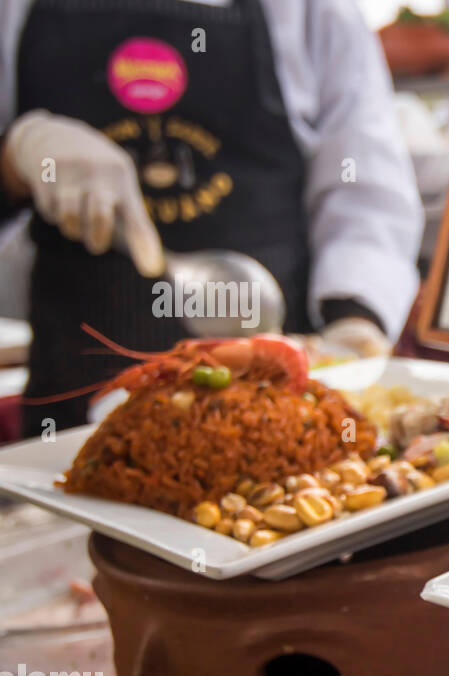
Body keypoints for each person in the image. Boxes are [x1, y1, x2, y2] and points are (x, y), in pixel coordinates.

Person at [0, 0, 422, 436]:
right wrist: (15, 157)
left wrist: (355, 322)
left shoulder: (315, 12)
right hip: (68, 418)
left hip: (277, 414)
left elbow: (366, 193)